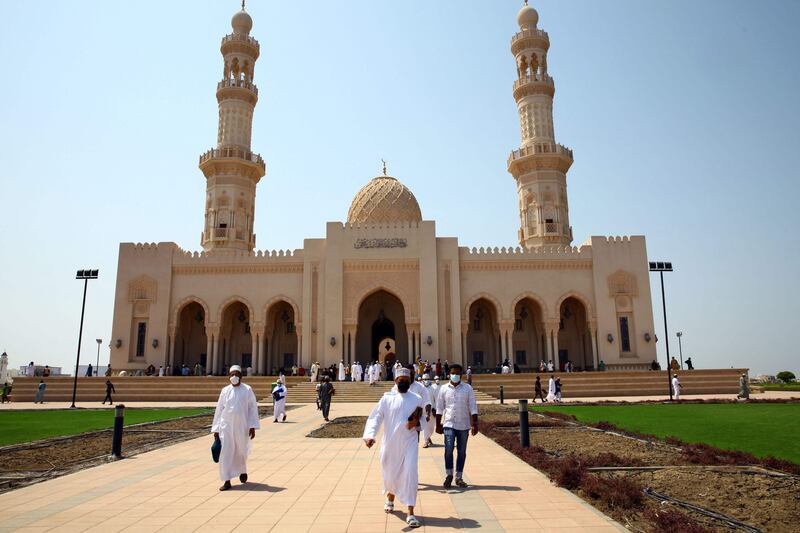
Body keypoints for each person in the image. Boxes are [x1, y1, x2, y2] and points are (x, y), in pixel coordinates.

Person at [362, 367, 424, 528]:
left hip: (409, 443)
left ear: (410, 382)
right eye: (400, 380)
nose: (403, 383)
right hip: (390, 443)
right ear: (395, 381)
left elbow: (420, 419)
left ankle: (411, 512)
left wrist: (415, 423)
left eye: (406, 381)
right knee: (390, 473)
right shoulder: (387, 398)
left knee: (410, 473)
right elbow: (375, 417)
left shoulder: (417, 398)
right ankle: (390, 498)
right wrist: (370, 435)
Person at [211, 365, 260, 491]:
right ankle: (227, 480)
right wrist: (216, 429)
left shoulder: (247, 390)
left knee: (241, 450)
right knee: (226, 452)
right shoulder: (225, 391)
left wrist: (252, 426)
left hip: (242, 426)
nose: (234, 377)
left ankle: (242, 470)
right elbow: (219, 409)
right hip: (226, 426)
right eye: (232, 374)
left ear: (241, 376)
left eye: (236, 374)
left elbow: (252, 408)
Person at [435, 363, 478, 489]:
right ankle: (449, 475)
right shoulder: (443, 389)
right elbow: (439, 407)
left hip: (463, 425)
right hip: (448, 424)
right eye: (453, 373)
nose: (455, 375)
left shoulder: (467, 388)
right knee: (448, 449)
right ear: (449, 374)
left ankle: (458, 477)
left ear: (461, 375)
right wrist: (438, 424)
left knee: (462, 451)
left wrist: (475, 423)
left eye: (457, 373)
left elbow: (473, 406)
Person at [421, 374, 437, 448]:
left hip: (432, 410)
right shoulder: (421, 389)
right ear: (422, 380)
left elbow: (436, 400)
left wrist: (435, 409)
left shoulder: (432, 389)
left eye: (427, 379)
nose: (426, 381)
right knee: (426, 427)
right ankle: (426, 441)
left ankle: (428, 437)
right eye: (424, 379)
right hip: (424, 412)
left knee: (431, 427)